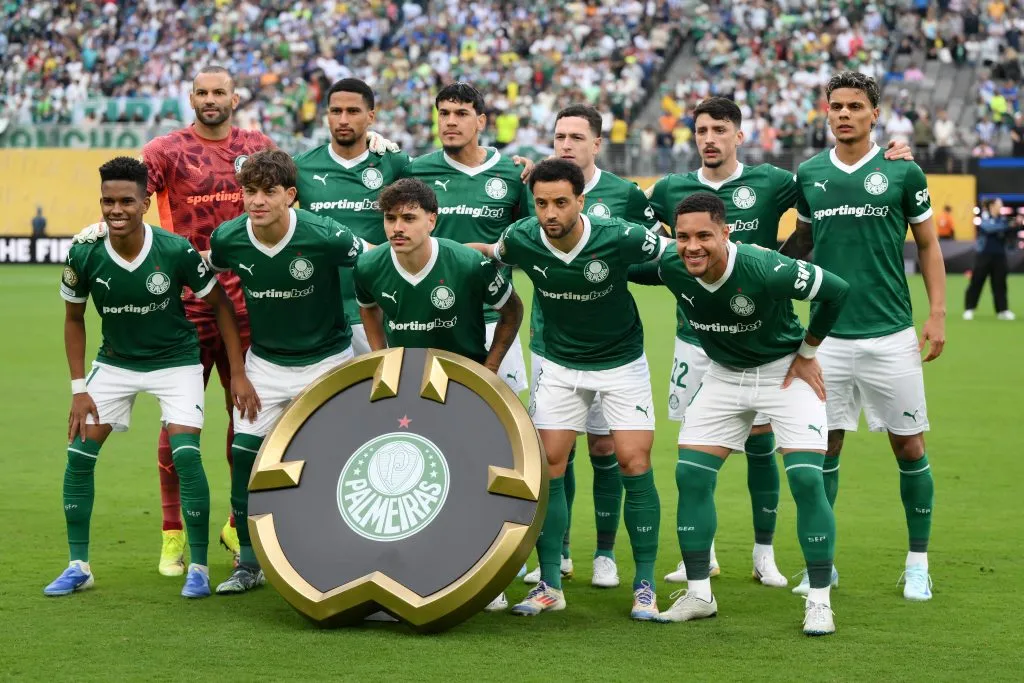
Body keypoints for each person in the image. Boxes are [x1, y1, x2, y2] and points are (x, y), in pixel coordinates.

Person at [645, 96, 915, 586]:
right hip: (696, 340)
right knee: (695, 455)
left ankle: (763, 552)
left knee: (762, 444)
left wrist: (890, 154)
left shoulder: (773, 181)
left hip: (764, 336)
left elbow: (828, 193)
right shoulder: (669, 189)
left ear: (738, 135)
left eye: (720, 130)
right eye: (701, 130)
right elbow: (636, 231)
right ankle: (698, 558)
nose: (710, 138)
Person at [631, 191, 849, 636]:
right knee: (690, 476)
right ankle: (698, 593)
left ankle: (820, 600)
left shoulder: (763, 267)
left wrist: (808, 351)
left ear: (726, 233)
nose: (692, 246)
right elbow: (622, 262)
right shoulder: (673, 266)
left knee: (807, 478)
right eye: (684, 237)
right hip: (724, 377)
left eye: (704, 236)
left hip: (784, 374)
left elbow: (837, 291)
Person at [46, 156, 256, 599]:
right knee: (79, 455)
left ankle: (197, 566)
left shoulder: (174, 250)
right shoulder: (84, 252)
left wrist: (237, 371)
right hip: (116, 362)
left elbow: (220, 304)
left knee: (185, 455)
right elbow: (73, 318)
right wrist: (78, 388)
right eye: (107, 201)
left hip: (176, 362)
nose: (115, 209)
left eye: (126, 200)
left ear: (146, 202)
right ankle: (78, 565)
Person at [471, 158, 670, 621]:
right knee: (550, 466)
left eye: (561, 202)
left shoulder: (618, 234)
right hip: (558, 365)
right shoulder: (521, 237)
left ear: (582, 201)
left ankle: (644, 584)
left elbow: (673, 255)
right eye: (542, 203)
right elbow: (489, 253)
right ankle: (550, 585)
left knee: (633, 462)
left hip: (622, 363)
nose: (550, 213)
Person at [783, 71, 946, 601]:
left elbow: (927, 245)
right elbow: (802, 242)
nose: (845, 114)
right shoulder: (809, 173)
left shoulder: (903, 172)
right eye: (837, 106)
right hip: (826, 338)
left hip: (890, 334)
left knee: (909, 445)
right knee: (824, 448)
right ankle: (821, 565)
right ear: (825, 113)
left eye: (856, 106)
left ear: (875, 114)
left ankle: (917, 562)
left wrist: (937, 312)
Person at [206, 150, 368, 594]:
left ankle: (341, 552)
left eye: (269, 192)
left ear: (290, 196)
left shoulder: (324, 234)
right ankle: (249, 562)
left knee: (333, 460)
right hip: (266, 365)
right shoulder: (229, 238)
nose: (257, 201)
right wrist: (237, 371)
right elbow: (206, 275)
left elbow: (375, 266)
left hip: (329, 360)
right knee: (243, 457)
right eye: (250, 191)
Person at [521, 104, 659, 590]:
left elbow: (653, 256)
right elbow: (516, 248)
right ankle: (555, 557)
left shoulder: (623, 195)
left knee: (606, 447)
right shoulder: (535, 188)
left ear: (597, 144)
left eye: (576, 137)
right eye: (559, 136)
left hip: (613, 345)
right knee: (556, 453)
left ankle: (604, 552)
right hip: (550, 341)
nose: (566, 144)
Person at [403, 83, 532, 394]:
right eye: (443, 113)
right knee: (432, 425)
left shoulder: (513, 174)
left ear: (481, 121)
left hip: (495, 319)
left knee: (505, 429)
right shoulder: (415, 171)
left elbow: (527, 243)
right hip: (432, 320)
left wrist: (494, 254)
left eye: (461, 113)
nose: (450, 121)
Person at [354, 177, 524, 379]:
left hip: (466, 378)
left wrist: (490, 369)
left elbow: (512, 310)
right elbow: (368, 308)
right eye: (390, 218)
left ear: (431, 220)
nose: (397, 228)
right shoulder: (367, 266)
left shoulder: (469, 263)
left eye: (409, 218)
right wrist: (381, 356)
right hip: (407, 378)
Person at [294, 78, 410, 356]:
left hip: (379, 309)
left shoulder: (394, 163)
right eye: (336, 111)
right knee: (327, 400)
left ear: (371, 116)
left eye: (353, 111)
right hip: (319, 315)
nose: (343, 119)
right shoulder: (301, 167)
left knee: (388, 396)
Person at [964, 198, 1016, 320]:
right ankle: (969, 309)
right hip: (984, 255)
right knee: (977, 282)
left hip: (1000, 255)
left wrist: (1012, 225)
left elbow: (1008, 231)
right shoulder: (983, 218)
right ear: (992, 206)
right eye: (999, 204)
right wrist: (1008, 225)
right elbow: (989, 228)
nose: (1001, 206)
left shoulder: (1002, 220)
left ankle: (1002, 310)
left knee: (1000, 283)